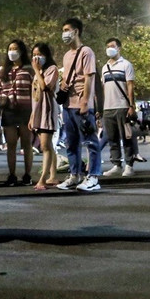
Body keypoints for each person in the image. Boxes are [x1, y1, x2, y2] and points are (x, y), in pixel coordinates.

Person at [56, 17, 101, 192]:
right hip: (68, 104)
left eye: (67, 29)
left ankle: (94, 177)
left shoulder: (87, 52)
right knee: (71, 142)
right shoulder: (67, 55)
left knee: (90, 141)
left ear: (76, 31)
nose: (64, 33)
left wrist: (85, 102)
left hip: (83, 104)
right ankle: (75, 175)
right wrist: (63, 85)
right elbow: (68, 77)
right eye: (63, 30)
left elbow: (89, 77)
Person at [0, 39, 34, 186]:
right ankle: (11, 175)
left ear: (22, 51)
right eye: (10, 48)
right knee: (11, 144)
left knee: (26, 144)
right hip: (9, 111)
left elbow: (34, 90)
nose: (12, 51)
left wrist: (35, 112)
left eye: (15, 48)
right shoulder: (3, 70)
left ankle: (27, 175)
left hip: (26, 110)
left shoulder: (29, 69)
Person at [99, 38, 138, 177]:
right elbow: (103, 88)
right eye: (108, 46)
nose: (110, 48)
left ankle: (129, 165)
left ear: (119, 48)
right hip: (108, 108)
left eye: (113, 46)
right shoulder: (104, 67)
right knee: (112, 138)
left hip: (122, 106)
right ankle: (116, 164)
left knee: (126, 137)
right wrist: (101, 108)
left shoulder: (126, 65)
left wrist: (131, 105)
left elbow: (130, 86)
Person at [29, 43, 59, 190]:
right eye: (34, 54)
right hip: (38, 113)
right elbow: (34, 96)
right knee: (49, 146)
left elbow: (44, 87)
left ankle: (42, 179)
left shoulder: (52, 70)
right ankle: (53, 176)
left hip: (47, 112)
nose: (36, 57)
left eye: (39, 54)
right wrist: (32, 116)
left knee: (45, 146)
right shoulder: (38, 72)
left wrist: (36, 70)